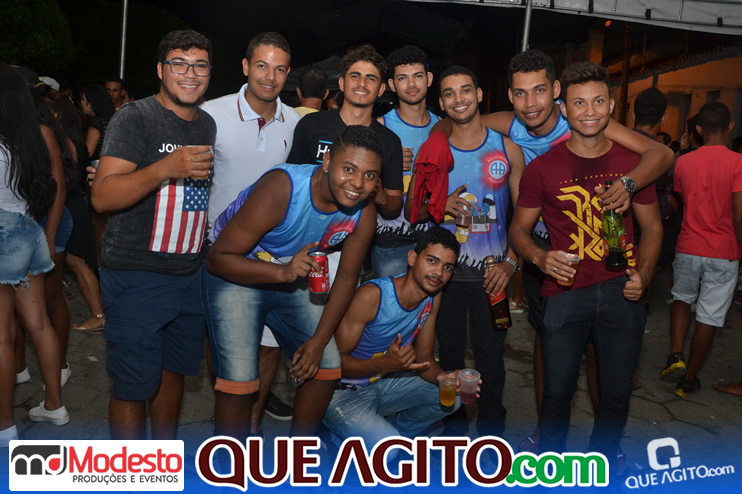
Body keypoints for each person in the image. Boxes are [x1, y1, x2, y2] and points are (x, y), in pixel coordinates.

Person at [434, 49, 674, 452]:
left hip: (603, 256)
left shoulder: (587, 119)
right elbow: (452, 122)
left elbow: (661, 155)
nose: (531, 103)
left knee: (605, 363)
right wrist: (431, 154)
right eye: (521, 93)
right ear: (511, 97)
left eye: (540, 91)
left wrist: (629, 185)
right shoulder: (513, 127)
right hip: (546, 248)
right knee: (548, 343)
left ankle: (606, 444)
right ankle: (548, 439)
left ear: (556, 92)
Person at [509, 61, 662, 471]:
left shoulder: (633, 165)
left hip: (622, 291)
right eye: (579, 103)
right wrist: (540, 257)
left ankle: (605, 466)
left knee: (616, 395)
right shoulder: (542, 168)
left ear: (611, 106)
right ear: (564, 108)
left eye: (597, 101)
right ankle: (551, 468)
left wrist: (645, 276)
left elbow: (652, 228)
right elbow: (518, 231)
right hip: (564, 292)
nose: (589, 111)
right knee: (556, 394)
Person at [205, 125, 381, 439]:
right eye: (349, 169)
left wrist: (318, 342)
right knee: (240, 383)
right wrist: (283, 274)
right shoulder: (283, 188)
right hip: (237, 270)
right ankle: (228, 461)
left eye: (369, 175)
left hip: (289, 273)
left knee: (325, 367)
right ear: (327, 162)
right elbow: (218, 258)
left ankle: (299, 454)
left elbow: (346, 278)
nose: (358, 183)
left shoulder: (363, 213)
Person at [90, 29, 216, 440]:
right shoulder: (136, 117)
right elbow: (102, 196)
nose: (190, 73)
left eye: (199, 65)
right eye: (179, 63)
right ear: (161, 70)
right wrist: (166, 168)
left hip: (189, 274)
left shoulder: (207, 123)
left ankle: (163, 461)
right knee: (132, 385)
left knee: (174, 371)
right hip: (137, 275)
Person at [405, 65, 525, 438]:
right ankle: (453, 428)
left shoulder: (506, 149)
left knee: (492, 356)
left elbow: (525, 215)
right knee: (450, 354)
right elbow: (412, 212)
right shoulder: (433, 152)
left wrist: (511, 263)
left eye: (465, 90)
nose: (459, 99)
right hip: (445, 278)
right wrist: (438, 207)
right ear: (441, 103)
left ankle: (491, 434)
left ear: (479, 94)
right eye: (450, 93)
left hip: (494, 277)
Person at [200, 31, 301, 430]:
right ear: (246, 67)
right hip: (222, 254)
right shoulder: (212, 114)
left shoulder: (296, 123)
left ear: (288, 74)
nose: (270, 77)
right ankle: (229, 418)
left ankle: (252, 428)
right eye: (262, 66)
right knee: (225, 348)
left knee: (269, 345)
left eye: (279, 69)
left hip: (276, 255)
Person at [323, 227, 466, 453]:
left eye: (447, 267)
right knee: (388, 449)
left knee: (452, 397)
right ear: (412, 258)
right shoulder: (372, 296)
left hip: (383, 382)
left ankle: (390, 437)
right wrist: (385, 365)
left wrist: (444, 378)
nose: (438, 273)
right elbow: (332, 364)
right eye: (432, 260)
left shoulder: (432, 296)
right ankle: (347, 436)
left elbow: (425, 356)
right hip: (341, 392)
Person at [1, 62, 69, 447]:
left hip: (4, 236)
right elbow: (53, 183)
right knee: (39, 323)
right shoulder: (32, 135)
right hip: (27, 229)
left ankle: (4, 426)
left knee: (1, 336)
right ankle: (55, 405)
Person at [660, 102, 742, 397]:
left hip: (688, 245)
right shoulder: (738, 162)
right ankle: (689, 379)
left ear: (698, 129)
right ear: (730, 126)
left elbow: (682, 200)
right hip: (724, 250)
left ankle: (676, 354)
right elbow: (738, 215)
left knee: (681, 298)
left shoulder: (684, 161)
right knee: (709, 316)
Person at [288, 43, 404, 222]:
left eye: (371, 78)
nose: (362, 84)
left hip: (357, 230)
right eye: (355, 76)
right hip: (304, 223)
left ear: (381, 89)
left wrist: (381, 197)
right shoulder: (311, 124)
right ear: (342, 83)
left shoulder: (389, 141)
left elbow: (394, 208)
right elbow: (291, 181)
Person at [373, 45, 439, 278]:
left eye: (418, 76)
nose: (411, 84)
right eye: (403, 78)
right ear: (392, 84)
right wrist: (387, 163)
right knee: (388, 299)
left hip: (433, 240)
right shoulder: (380, 128)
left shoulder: (442, 127)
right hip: (391, 241)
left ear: (429, 79)